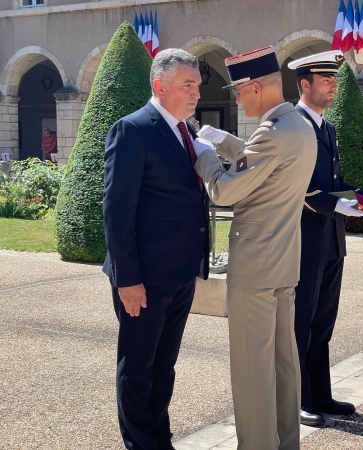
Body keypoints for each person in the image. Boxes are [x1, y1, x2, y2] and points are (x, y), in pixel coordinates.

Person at [194, 46, 318, 450]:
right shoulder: (298, 125)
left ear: (255, 88)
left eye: (238, 91)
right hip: (283, 263)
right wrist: (227, 141)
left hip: (256, 267)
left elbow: (225, 191)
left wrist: (205, 153)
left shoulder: (270, 132)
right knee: (284, 366)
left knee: (252, 373)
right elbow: (265, 164)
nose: (236, 99)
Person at [102, 48, 210, 450]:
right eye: (188, 84)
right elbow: (116, 212)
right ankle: (139, 444)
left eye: (198, 85)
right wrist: (127, 279)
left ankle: (158, 439)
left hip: (180, 274)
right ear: (159, 86)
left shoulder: (188, 132)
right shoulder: (133, 129)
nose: (196, 92)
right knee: (138, 368)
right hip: (144, 278)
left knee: (164, 366)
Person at [288, 50, 363, 429]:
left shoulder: (326, 127)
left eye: (334, 81)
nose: (333, 87)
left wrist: (360, 199)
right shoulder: (293, 125)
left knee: (323, 321)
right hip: (305, 241)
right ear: (305, 84)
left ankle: (321, 393)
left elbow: (331, 183)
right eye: (326, 80)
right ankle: (297, 399)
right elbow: (299, 189)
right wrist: (341, 207)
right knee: (300, 321)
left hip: (331, 241)